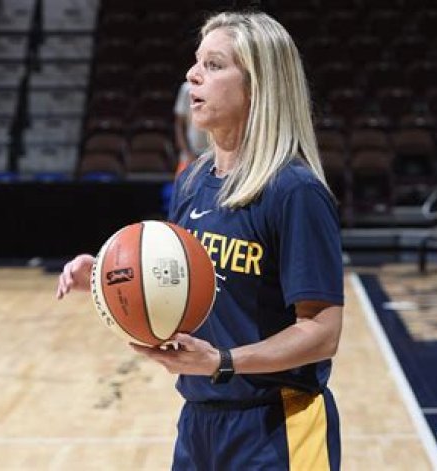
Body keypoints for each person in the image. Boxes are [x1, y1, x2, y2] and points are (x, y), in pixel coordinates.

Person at [57, 11, 345, 470]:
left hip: (277, 426)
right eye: (196, 62)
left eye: (213, 65)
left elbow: (322, 333)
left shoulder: (295, 191)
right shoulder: (192, 182)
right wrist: (109, 275)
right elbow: (183, 289)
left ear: (258, 86)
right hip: (199, 423)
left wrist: (223, 361)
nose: (192, 74)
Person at [174, 81, 209, 176]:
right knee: (182, 184)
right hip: (189, 154)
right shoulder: (187, 88)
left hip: (213, 155)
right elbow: (179, 125)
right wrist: (186, 152)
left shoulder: (219, 88)